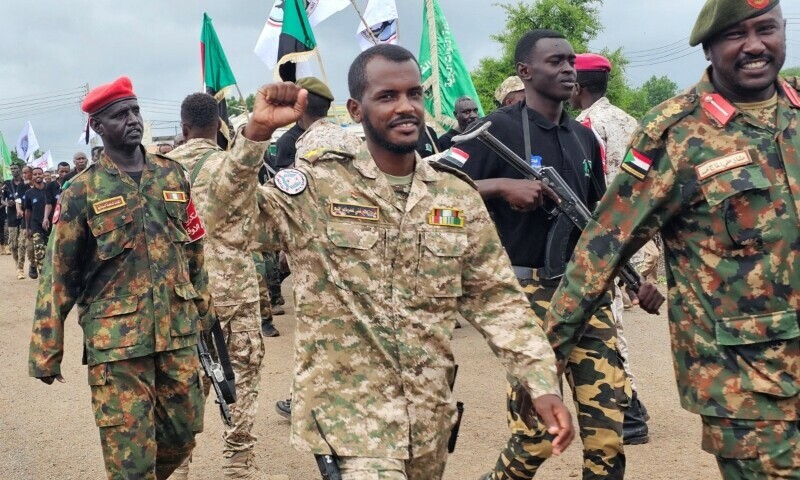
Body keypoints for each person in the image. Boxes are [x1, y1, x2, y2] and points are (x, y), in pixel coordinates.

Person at [202, 44, 573, 479]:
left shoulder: (454, 196)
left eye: (414, 94)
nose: (405, 107)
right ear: (357, 109)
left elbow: (498, 301)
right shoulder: (319, 188)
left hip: (429, 420)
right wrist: (255, 137)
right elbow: (226, 224)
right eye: (387, 96)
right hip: (349, 422)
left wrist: (540, 380)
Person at [544, 1, 799, 478]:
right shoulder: (676, 133)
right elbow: (601, 247)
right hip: (747, 385)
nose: (754, 46)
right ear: (709, 47)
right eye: (734, 36)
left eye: (765, 29)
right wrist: (543, 366)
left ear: (783, 30)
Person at [458, 29, 659, 480]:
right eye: (555, 62)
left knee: (608, 435)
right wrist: (499, 187)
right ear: (525, 72)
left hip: (587, 294)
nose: (568, 69)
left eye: (571, 61)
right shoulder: (495, 129)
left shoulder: (583, 138)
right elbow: (431, 183)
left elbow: (599, 222)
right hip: (527, 295)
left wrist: (636, 278)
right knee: (535, 437)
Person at [28, 76, 213, 479]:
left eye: (134, 111)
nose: (132, 120)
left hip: (177, 334)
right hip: (116, 346)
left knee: (183, 432)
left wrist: (205, 312)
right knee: (130, 457)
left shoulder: (173, 176)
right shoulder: (82, 191)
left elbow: (194, 251)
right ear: (98, 126)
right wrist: (47, 349)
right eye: (119, 115)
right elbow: (57, 274)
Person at [169, 92, 274, 479]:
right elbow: (261, 230)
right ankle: (238, 465)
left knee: (183, 381)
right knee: (242, 375)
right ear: (219, 126)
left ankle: (178, 467)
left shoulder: (157, 171)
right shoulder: (232, 167)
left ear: (182, 129)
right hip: (234, 291)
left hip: (181, 293)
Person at [569, 52, 651, 445]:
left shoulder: (586, 125)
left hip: (604, 234)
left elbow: (593, 191)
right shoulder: (627, 120)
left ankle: (631, 415)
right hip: (634, 232)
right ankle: (631, 410)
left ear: (578, 87)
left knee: (610, 326)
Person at [272, 76, 334, 170]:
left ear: (298, 106)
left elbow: (288, 180)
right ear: (328, 106)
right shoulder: (348, 137)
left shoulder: (286, 141)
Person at [4, 163, 30, 279]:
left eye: (15, 168)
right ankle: (17, 264)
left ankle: (20, 268)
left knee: (22, 243)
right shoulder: (7, 184)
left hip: (24, 215)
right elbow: (1, 199)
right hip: (11, 216)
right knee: (13, 245)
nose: (13, 170)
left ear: (20, 170)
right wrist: (7, 203)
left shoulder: (26, 184)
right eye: (12, 169)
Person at [23, 167, 48, 279]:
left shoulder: (50, 189)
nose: (37, 176)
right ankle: (44, 276)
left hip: (50, 225)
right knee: (39, 249)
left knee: (50, 250)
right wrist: (27, 228)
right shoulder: (29, 193)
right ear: (32, 177)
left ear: (43, 175)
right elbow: (27, 210)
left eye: (39, 173)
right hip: (35, 224)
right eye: (35, 174)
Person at [43, 162, 71, 232]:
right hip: (56, 218)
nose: (64, 174)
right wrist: (45, 217)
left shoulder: (73, 183)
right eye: (62, 171)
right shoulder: (50, 186)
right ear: (57, 171)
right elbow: (48, 204)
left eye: (66, 171)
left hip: (71, 219)